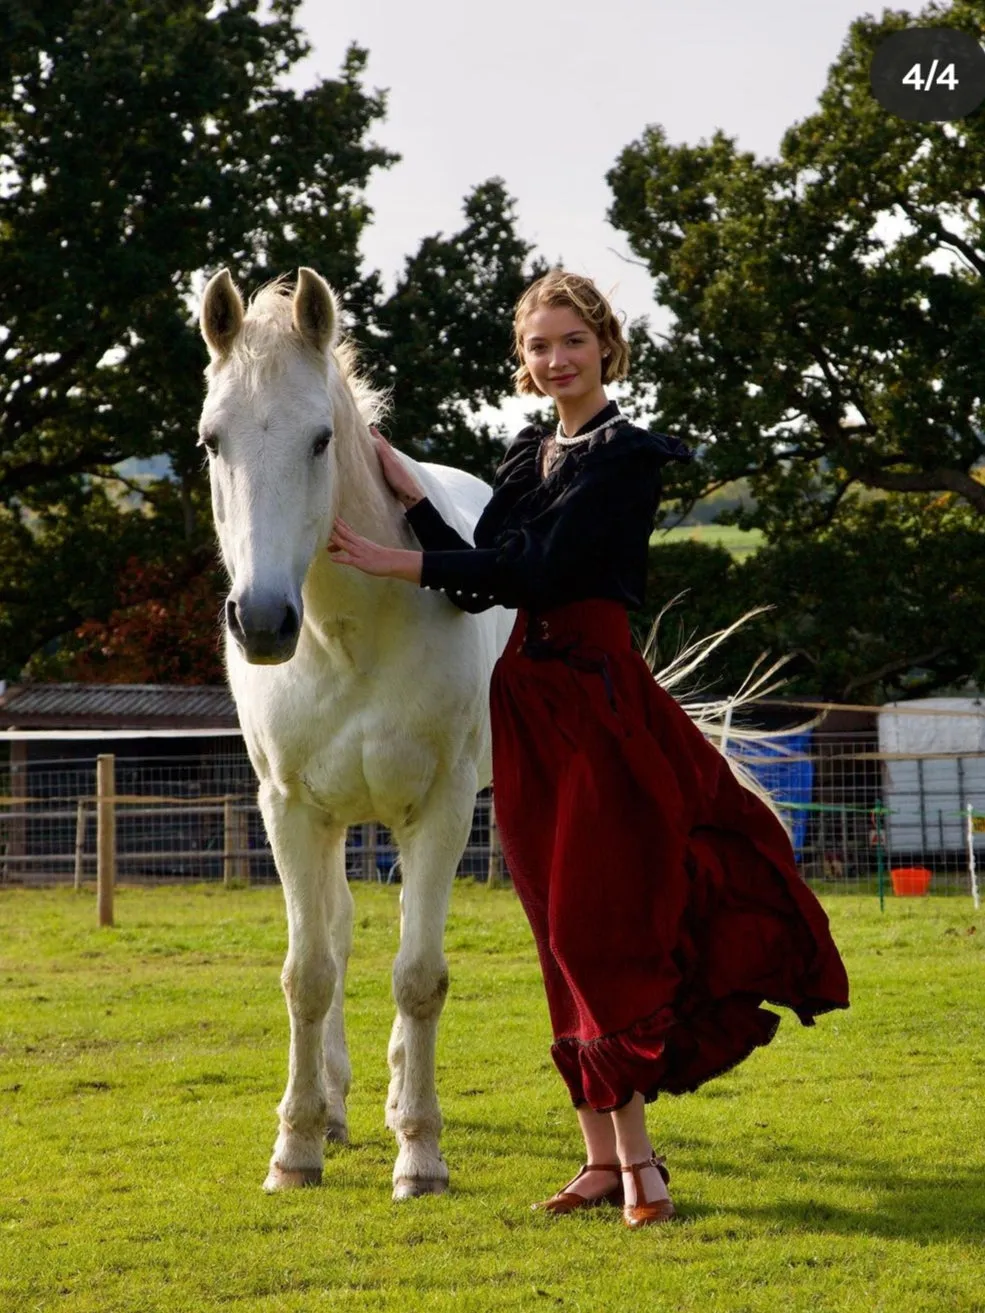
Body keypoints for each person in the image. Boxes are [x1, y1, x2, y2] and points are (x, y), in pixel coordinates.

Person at [327, 269, 850, 1228]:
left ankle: (643, 1163)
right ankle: (600, 1162)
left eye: (571, 341)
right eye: (538, 346)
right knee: (551, 934)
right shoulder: (528, 452)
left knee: (593, 929)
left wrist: (395, 558)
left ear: (605, 346)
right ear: (522, 362)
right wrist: (406, 494)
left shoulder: (627, 457)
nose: (555, 359)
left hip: (599, 706)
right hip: (524, 705)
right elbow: (481, 575)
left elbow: (541, 568)